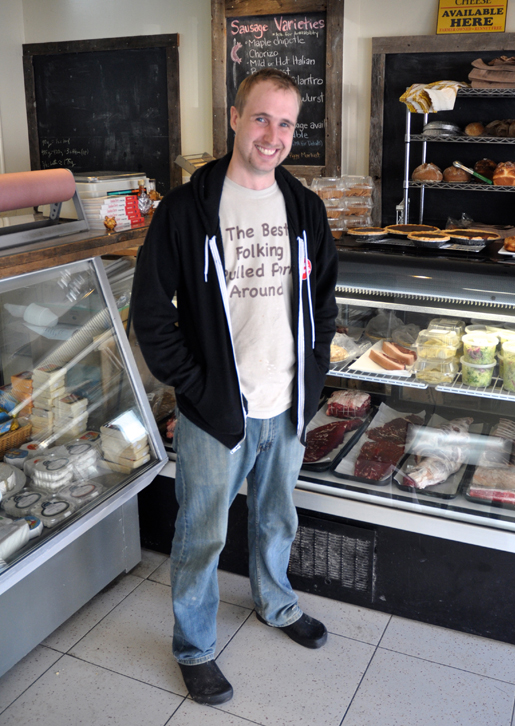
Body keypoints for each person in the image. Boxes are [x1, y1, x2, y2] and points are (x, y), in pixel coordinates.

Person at [131, 68, 338, 706]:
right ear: (233, 117)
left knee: (277, 518)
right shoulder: (187, 210)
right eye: (260, 118)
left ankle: (276, 604)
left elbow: (323, 303)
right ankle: (194, 645)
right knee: (202, 532)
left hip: (287, 407)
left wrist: (314, 372)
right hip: (216, 412)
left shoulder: (304, 208)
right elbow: (150, 315)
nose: (272, 135)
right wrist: (196, 387)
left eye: (285, 123)